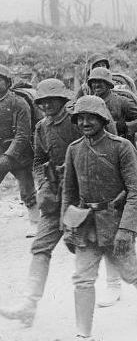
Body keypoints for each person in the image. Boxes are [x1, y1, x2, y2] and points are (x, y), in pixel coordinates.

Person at [61, 95, 137, 339]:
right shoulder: (74, 150)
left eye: (90, 118)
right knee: (82, 279)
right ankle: (83, 333)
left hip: (116, 222)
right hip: (85, 224)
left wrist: (127, 229)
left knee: (129, 273)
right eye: (80, 118)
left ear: (103, 119)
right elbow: (69, 192)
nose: (84, 123)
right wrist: (67, 226)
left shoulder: (121, 147)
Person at [0, 79, 81, 326]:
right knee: (40, 248)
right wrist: (43, 184)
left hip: (82, 195)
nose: (46, 105)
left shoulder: (78, 122)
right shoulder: (41, 127)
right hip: (54, 195)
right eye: (42, 101)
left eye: (51, 100)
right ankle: (28, 304)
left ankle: (128, 287)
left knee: (95, 247)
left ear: (62, 101)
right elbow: (38, 160)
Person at [0, 64, 37, 236]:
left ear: (8, 82)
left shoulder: (19, 103)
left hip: (19, 154)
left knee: (27, 189)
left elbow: (23, 135)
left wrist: (8, 157)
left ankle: (35, 223)